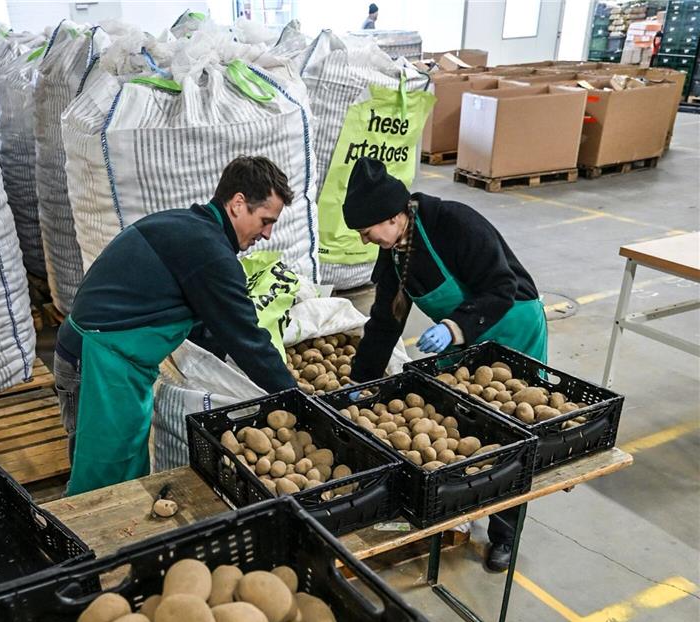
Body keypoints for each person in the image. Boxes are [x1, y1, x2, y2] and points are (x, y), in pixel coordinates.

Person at [342, 157, 547, 572]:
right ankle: (461, 506)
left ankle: (505, 534)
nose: (365, 240)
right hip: (466, 340)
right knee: (462, 426)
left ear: (393, 216)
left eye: (367, 231)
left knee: (512, 436)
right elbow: (384, 321)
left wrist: (455, 328)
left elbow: (502, 286)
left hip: (512, 325)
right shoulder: (395, 251)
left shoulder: (454, 222)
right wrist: (359, 381)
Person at [54, 156, 296, 496]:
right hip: (97, 365)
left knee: (122, 470)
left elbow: (206, 325)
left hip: (114, 365)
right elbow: (246, 337)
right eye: (266, 220)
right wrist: (295, 397)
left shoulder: (188, 227)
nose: (268, 233)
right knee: (99, 486)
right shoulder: (208, 251)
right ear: (238, 204)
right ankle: (86, 546)